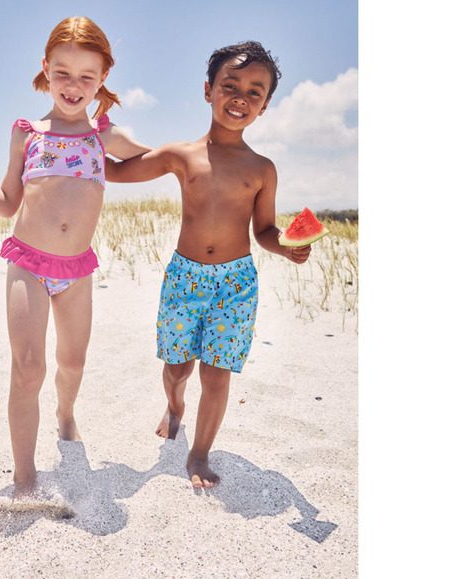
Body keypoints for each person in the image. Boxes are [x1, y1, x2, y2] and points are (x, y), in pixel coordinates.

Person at [0, 16, 149, 498]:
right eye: (62, 73)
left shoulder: (101, 135)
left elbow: (153, 158)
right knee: (28, 367)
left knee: (72, 363)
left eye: (86, 77)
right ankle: (25, 476)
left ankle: (66, 413)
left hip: (76, 269)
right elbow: (9, 203)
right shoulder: (26, 132)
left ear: (102, 79)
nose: (73, 86)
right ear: (45, 69)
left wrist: (120, 136)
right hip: (28, 262)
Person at [106, 41, 311, 488]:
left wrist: (287, 247)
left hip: (236, 284)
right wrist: (75, 140)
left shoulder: (262, 168)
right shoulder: (181, 155)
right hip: (185, 278)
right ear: (208, 90)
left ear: (266, 106)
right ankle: (175, 403)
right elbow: (116, 171)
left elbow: (263, 231)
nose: (241, 97)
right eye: (230, 85)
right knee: (177, 368)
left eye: (255, 92)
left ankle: (198, 454)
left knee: (217, 374)